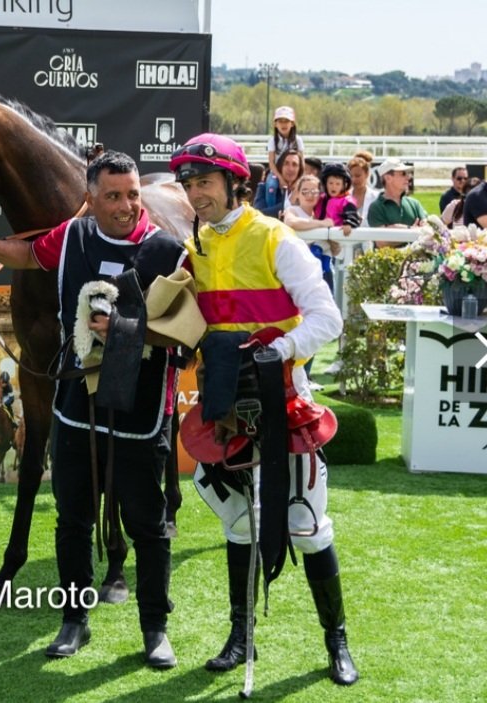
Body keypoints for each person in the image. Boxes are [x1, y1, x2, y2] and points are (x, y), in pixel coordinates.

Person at [0, 150, 186, 668]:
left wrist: (127, 329)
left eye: (132, 195)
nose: (127, 206)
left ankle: (154, 629)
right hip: (77, 404)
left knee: (148, 522)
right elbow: (28, 254)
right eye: (113, 196)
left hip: (143, 406)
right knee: (72, 516)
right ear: (92, 198)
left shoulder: (168, 251)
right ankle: (73, 620)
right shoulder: (74, 237)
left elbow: (186, 329)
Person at [169, 133, 357, 686]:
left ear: (233, 184)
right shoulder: (194, 249)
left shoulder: (275, 238)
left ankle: (337, 640)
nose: (195, 194)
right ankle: (239, 635)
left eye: (204, 182)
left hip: (282, 398)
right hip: (224, 404)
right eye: (188, 184)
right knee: (236, 525)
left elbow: (328, 317)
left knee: (307, 526)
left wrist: (276, 350)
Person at [367, 158, 428, 247]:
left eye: (407, 173)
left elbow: (427, 230)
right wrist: (411, 231)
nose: (408, 177)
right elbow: (382, 242)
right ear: (388, 178)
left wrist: (394, 230)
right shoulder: (376, 207)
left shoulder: (415, 204)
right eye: (403, 174)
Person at [254, 149, 304, 219]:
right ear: (280, 167)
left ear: (300, 169)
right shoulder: (264, 188)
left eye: (294, 164)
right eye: (286, 164)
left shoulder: (305, 190)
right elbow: (258, 215)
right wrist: (289, 202)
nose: (290, 169)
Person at [266, 106, 304, 181]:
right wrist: (280, 179)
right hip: (276, 174)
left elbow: (302, 162)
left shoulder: (298, 140)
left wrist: (298, 180)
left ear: (292, 124)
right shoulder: (273, 140)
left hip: (294, 175)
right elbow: (272, 163)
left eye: (286, 121)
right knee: (271, 186)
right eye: (280, 121)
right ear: (275, 124)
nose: (283, 124)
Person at [347, 150, 378, 225]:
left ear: (367, 174)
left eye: (358, 176)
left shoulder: (377, 197)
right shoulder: (344, 197)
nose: (354, 179)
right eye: (351, 176)